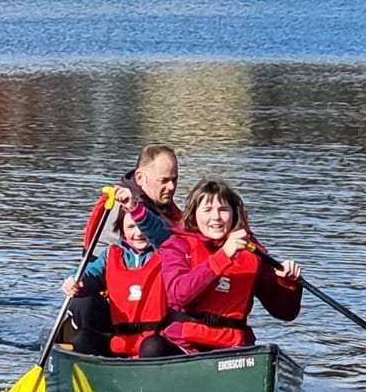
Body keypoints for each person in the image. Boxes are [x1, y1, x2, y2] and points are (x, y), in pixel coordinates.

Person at [143, 178, 303, 357]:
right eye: (207, 210)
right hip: (184, 346)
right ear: (194, 214)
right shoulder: (177, 245)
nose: (216, 217)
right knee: (151, 346)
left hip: (231, 349)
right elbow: (179, 295)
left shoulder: (252, 253)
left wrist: (288, 284)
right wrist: (224, 256)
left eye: (223, 210)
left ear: (234, 214)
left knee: (264, 355)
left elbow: (286, 313)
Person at [66, 144, 183, 349]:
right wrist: (77, 280)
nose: (172, 187)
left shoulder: (171, 217)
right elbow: (99, 267)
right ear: (140, 178)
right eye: (164, 181)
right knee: (83, 305)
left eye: (174, 180)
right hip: (115, 308)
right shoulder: (118, 209)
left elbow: (167, 245)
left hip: (154, 324)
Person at [62, 205, 168, 357]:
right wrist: (74, 279)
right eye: (131, 227)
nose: (137, 233)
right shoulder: (111, 254)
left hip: (156, 340)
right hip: (120, 339)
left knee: (152, 346)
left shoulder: (167, 254)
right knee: (82, 339)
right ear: (121, 229)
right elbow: (92, 272)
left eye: (142, 226)